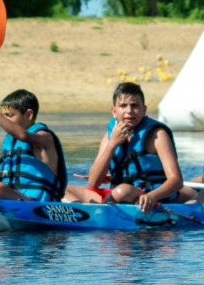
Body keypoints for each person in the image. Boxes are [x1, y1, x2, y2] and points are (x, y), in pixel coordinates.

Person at [68, 82, 183, 212]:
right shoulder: (109, 137)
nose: (129, 111)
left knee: (123, 190)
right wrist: (112, 144)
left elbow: (177, 180)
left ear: (144, 110)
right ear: (114, 111)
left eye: (134, 106)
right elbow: (93, 182)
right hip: (116, 195)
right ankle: (80, 215)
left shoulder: (157, 135)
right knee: (66, 189)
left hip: (148, 197)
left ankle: (99, 213)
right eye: (123, 106)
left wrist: (152, 196)